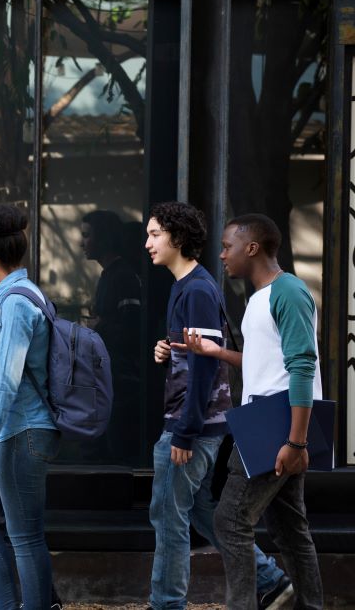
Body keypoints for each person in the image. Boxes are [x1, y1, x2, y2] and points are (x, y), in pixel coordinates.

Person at [145, 203, 290, 610]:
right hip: (196, 424)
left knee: (167, 519)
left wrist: (186, 431)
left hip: (191, 426)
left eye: (155, 234)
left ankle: (166, 604)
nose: (148, 243)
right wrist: (167, 350)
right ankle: (271, 581)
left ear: (177, 238)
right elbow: (195, 355)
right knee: (196, 510)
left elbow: (207, 368)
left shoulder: (196, 290)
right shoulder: (188, 287)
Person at [175, 213, 323, 609]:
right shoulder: (261, 297)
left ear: (252, 248)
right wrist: (215, 351)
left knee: (229, 520)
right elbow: (265, 361)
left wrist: (296, 440)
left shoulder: (287, 291)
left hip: (275, 421)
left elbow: (302, 367)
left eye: (227, 247)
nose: (222, 255)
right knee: (290, 529)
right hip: (270, 418)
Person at [0, 204, 59, 610]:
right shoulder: (21, 293)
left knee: (26, 535)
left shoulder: (15, 303)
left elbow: (4, 384)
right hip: (16, 430)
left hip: (22, 431)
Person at [80, 210, 142, 462]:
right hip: (107, 378)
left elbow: (133, 329)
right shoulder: (109, 275)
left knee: (114, 452)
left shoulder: (122, 277)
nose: (81, 243)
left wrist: (99, 326)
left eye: (86, 236)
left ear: (103, 238)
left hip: (122, 382)